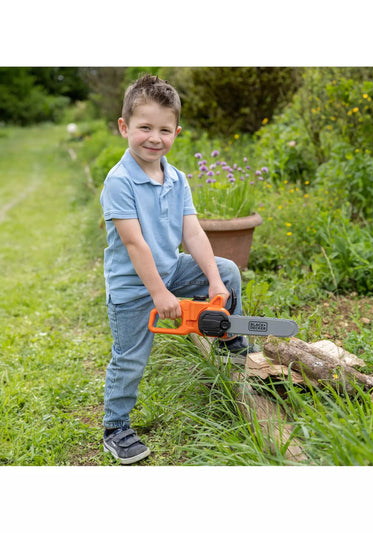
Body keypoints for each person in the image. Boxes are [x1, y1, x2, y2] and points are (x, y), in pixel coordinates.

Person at [100, 74, 256, 465]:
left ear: (176, 132)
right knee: (130, 357)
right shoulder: (119, 182)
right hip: (135, 288)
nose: (154, 138)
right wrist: (159, 293)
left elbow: (194, 233)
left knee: (228, 270)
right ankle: (116, 427)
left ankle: (229, 341)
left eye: (164, 130)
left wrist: (216, 282)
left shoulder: (177, 178)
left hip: (171, 271)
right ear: (125, 128)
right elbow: (135, 244)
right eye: (145, 128)